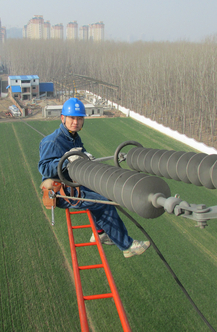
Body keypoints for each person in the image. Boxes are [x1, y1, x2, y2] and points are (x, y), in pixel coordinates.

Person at [38, 97, 150, 258]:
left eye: (79, 118)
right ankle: (127, 246)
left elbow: (79, 157)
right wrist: (66, 160)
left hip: (75, 183)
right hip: (62, 191)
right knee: (104, 202)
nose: (75, 122)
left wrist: (86, 158)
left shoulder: (74, 137)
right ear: (63, 118)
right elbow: (43, 168)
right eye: (72, 118)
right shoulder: (52, 141)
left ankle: (100, 232)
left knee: (104, 189)